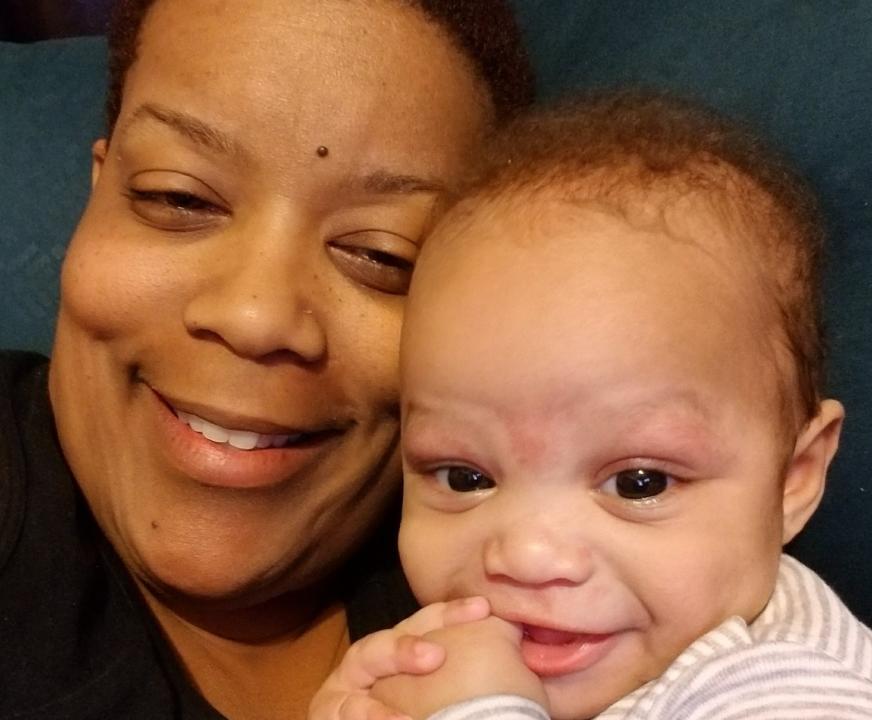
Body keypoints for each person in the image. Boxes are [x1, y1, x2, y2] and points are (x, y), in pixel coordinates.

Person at [312, 93, 872, 720]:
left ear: (793, 479)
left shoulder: (798, 691)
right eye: (463, 478)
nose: (527, 556)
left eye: (640, 483)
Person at [0, 0, 533, 718]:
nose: (256, 317)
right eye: (177, 196)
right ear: (95, 197)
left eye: (381, 254)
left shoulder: (552, 589)